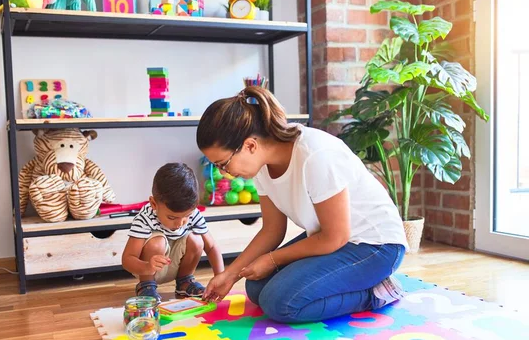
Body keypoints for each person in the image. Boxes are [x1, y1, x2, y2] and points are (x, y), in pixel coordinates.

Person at [196, 86, 408, 324]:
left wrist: (273, 259)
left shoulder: (315, 155)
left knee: (280, 303)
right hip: (336, 241)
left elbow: (335, 237)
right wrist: (230, 275)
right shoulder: (262, 165)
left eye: (222, 163)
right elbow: (272, 230)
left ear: (250, 146)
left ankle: (376, 291)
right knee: (255, 287)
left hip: (376, 246)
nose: (223, 172)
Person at [122, 163, 224, 302]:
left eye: (186, 216)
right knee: (157, 243)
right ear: (153, 204)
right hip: (148, 268)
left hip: (175, 265)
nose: (180, 223)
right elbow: (127, 259)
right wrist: (147, 266)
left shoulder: (193, 213)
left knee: (197, 239)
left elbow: (211, 247)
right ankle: (146, 285)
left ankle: (185, 281)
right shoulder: (145, 217)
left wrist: (221, 277)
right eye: (172, 217)